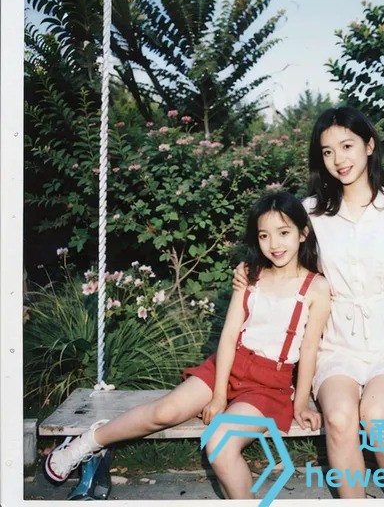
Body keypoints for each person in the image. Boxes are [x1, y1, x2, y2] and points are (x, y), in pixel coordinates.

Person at [235, 107, 384, 499]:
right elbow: (276, 249)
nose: (338, 159)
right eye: (327, 152)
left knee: (376, 413)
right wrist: (248, 271)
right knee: (340, 417)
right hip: (337, 340)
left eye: (347, 146)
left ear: (369, 145)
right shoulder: (310, 213)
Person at [45, 191, 331, 500]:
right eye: (264, 235)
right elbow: (229, 336)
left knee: (220, 442)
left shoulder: (316, 287)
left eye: (284, 233)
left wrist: (301, 404)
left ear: (303, 233)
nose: (274, 244)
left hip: (269, 384)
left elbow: (309, 350)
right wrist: (219, 395)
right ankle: (88, 442)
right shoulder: (250, 275)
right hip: (230, 364)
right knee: (165, 411)